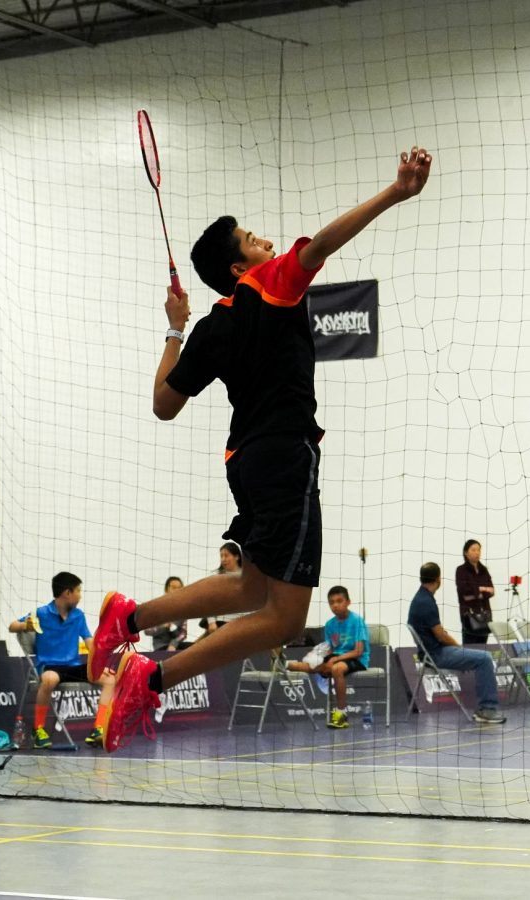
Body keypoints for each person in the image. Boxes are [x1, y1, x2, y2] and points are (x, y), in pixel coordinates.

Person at [89, 146, 433, 752]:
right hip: (285, 454)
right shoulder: (270, 284)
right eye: (251, 238)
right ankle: (151, 674)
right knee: (285, 619)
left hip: (244, 461)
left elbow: (164, 403)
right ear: (236, 266)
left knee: (252, 589)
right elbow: (322, 245)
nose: (267, 241)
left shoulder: (210, 325)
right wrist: (394, 193)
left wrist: (174, 326)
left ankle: (130, 619)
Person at [8, 572, 115, 748]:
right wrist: (24, 625)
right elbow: (12, 626)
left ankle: (99, 729)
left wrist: (100, 663)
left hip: (73, 667)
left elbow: (89, 643)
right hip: (50, 667)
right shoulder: (41, 613)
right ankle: (39, 729)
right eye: (78, 591)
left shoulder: (78, 616)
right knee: (50, 679)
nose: (80, 595)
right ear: (67, 593)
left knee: (110, 678)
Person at [407, 562, 506, 725]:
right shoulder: (425, 602)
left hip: (429, 653)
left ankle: (486, 708)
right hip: (436, 655)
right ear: (439, 579)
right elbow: (440, 635)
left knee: (481, 658)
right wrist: (458, 647)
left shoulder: (421, 598)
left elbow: (436, 631)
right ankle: (487, 709)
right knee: (485, 658)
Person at [287, 585, 370, 729]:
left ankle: (341, 714)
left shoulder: (357, 621)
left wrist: (335, 660)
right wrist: (319, 658)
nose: (335, 605)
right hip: (337, 656)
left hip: (357, 659)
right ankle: (284, 664)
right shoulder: (330, 625)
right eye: (332, 602)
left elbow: (358, 651)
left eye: (339, 601)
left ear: (348, 602)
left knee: (336, 669)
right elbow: (331, 648)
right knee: (312, 666)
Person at [455, 539, 495, 645]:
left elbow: (491, 590)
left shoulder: (484, 570)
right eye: (473, 550)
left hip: (485, 615)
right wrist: (482, 590)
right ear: (466, 552)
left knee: (483, 648)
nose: (477, 552)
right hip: (469, 616)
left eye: (479, 550)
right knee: (469, 648)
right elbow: (464, 593)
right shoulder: (461, 570)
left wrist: (476, 591)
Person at [199, 543, 243, 636]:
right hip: (221, 623)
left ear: (237, 557)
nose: (223, 559)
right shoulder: (218, 578)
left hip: (243, 624)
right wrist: (211, 622)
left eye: (226, 555)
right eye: (221, 556)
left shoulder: (247, 577)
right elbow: (209, 601)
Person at [144, 577, 188, 651]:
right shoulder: (156, 608)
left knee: (194, 647)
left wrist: (173, 644)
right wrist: (163, 626)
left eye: (180, 588)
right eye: (174, 587)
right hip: (161, 647)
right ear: (166, 590)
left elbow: (183, 634)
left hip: (176, 645)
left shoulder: (183, 611)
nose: (177, 590)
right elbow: (147, 630)